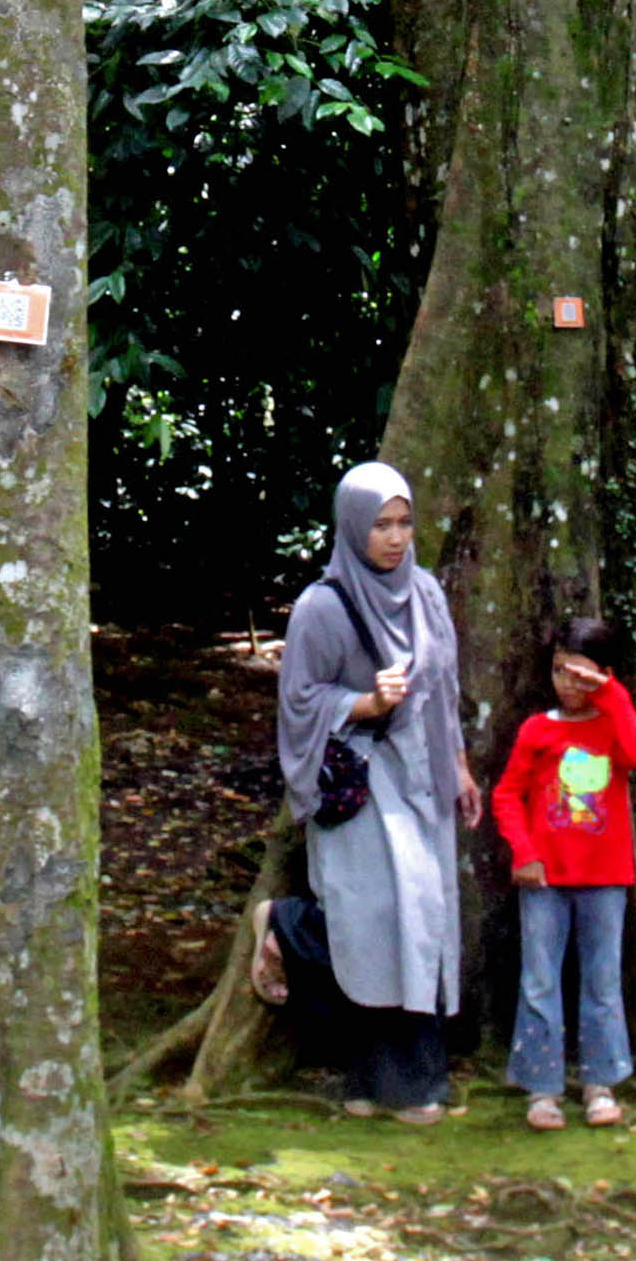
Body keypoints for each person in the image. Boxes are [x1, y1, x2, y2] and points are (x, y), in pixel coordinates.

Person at [256, 462, 479, 1122]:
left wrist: (460, 766)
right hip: (362, 780)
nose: (394, 537)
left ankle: (399, 1087)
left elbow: (444, 688)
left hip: (423, 776)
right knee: (371, 922)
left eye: (404, 523)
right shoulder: (321, 607)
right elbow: (299, 701)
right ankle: (288, 925)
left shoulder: (426, 593)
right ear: (354, 526)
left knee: (421, 918)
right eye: (381, 524)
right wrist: (365, 702)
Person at [491, 615, 636, 1130]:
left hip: (605, 877)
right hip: (544, 879)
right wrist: (524, 852)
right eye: (560, 671)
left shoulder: (613, 722)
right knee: (539, 981)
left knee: (602, 981)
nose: (568, 684)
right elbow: (507, 795)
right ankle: (541, 1088)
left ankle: (600, 1083)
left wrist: (609, 694)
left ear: (605, 675)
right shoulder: (538, 729)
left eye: (581, 675)